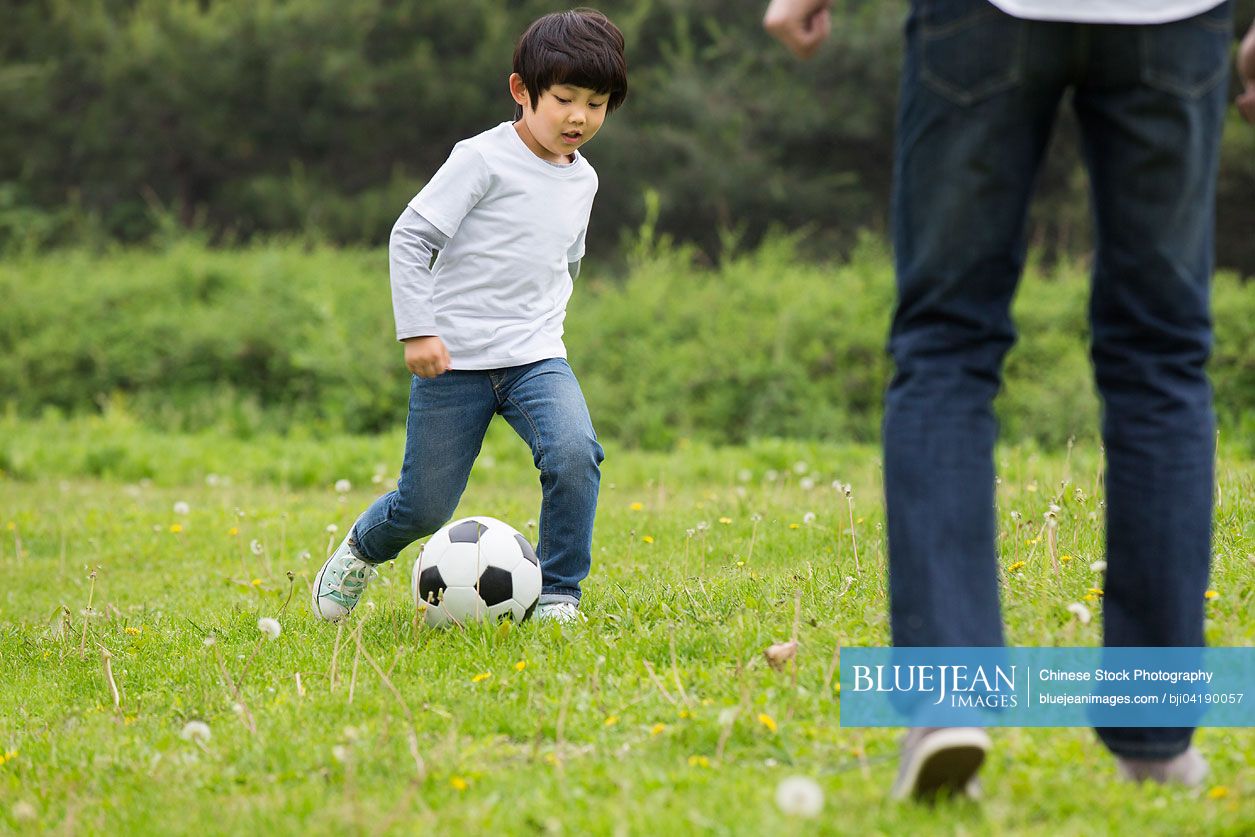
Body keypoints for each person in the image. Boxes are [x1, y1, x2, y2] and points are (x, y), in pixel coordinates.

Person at [765, 0, 1254, 802]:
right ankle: (1157, 738)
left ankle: (947, 701)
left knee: (945, 343)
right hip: (1171, 18)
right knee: (1161, 357)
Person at [312, 8, 628, 625]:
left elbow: (569, 259)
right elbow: (410, 239)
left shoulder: (583, 178)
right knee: (424, 508)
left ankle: (560, 594)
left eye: (597, 103)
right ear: (521, 91)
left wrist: (545, 324)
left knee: (574, 454)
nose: (579, 117)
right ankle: (358, 552)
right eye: (564, 98)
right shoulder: (480, 160)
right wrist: (419, 330)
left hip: (536, 358)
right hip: (452, 362)